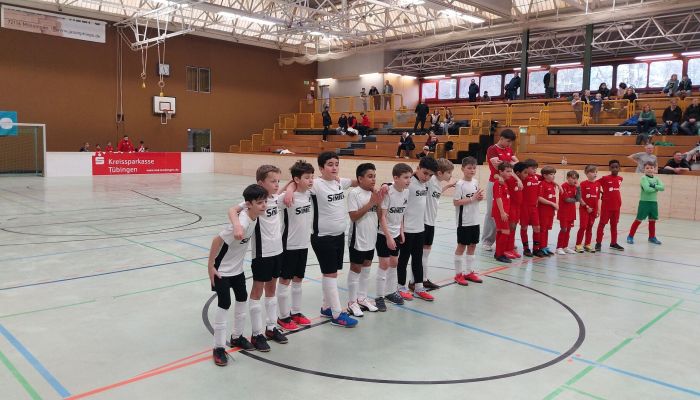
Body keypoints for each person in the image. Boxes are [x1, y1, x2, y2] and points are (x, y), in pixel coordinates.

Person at [285, 152, 360, 328]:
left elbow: (356, 182)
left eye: (336, 164)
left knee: (331, 273)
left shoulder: (339, 182)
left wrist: (378, 186)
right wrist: (288, 191)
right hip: (323, 238)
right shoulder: (316, 184)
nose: (334, 167)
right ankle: (337, 314)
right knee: (330, 274)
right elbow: (294, 182)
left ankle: (326, 307)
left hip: (339, 236)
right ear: (321, 168)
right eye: (330, 164)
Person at [228, 165, 289, 349]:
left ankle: (271, 327)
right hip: (262, 254)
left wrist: (289, 188)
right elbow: (232, 210)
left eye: (278, 181)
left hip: (278, 251)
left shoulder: (276, 199)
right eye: (273, 181)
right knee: (257, 291)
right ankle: (256, 334)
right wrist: (237, 225)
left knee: (272, 289)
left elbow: (290, 187)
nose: (277, 184)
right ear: (261, 183)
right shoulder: (254, 202)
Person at [210, 184, 267, 366]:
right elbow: (216, 240)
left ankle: (237, 337)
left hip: (238, 270)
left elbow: (234, 208)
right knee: (224, 304)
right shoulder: (242, 223)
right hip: (222, 271)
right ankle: (218, 347)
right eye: (260, 203)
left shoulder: (251, 212)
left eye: (265, 201)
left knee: (242, 299)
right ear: (250, 204)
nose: (264, 205)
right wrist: (210, 266)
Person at [277, 161, 315, 330]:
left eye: (312, 176)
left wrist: (293, 186)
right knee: (285, 280)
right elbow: (272, 200)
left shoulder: (309, 193)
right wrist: (289, 189)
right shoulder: (286, 198)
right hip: (289, 245)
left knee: (298, 278)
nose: (311, 180)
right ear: (297, 179)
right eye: (307, 177)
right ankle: (283, 317)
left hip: (303, 244)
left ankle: (296, 312)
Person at [396, 157, 439, 301]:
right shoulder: (408, 183)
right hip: (407, 230)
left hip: (420, 228)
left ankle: (419, 287)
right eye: (425, 173)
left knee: (418, 259)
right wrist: (401, 230)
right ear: (418, 168)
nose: (427, 177)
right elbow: (393, 186)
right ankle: (401, 287)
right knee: (403, 259)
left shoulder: (425, 183)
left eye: (430, 175)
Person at [410, 158, 455, 290]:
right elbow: (416, 174)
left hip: (431, 222)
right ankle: (414, 281)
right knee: (419, 254)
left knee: (426, 253)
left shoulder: (438, 183)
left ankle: (423, 279)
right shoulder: (430, 180)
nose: (451, 175)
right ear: (439, 173)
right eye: (449, 172)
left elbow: (436, 194)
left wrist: (448, 186)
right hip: (423, 221)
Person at [347, 163, 383, 316]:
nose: (373, 179)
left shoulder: (374, 194)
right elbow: (353, 216)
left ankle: (362, 298)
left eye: (374, 176)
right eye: (370, 176)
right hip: (358, 238)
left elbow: (380, 216)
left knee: (367, 268)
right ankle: (352, 302)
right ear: (360, 179)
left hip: (371, 237)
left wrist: (378, 201)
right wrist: (371, 203)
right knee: (356, 269)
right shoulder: (354, 193)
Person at [376, 163, 411, 308]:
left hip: (396, 233)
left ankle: (390, 292)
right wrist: (389, 237)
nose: (409, 180)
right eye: (405, 177)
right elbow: (382, 217)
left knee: (394, 263)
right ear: (395, 178)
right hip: (383, 234)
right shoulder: (388, 192)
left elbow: (401, 214)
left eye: (410, 177)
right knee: (384, 264)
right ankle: (379, 296)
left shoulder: (406, 192)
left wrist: (401, 231)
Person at [482, 129, 519, 251]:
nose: (509, 144)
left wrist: (507, 165)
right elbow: (497, 166)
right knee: (491, 212)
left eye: (511, 142)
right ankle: (487, 241)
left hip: (507, 184)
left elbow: (516, 163)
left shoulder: (509, 149)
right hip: (495, 182)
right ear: (501, 138)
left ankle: (505, 239)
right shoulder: (492, 149)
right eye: (508, 141)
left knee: (506, 212)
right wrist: (508, 163)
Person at [453, 156, 485, 286]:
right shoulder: (460, 184)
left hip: (474, 219)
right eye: (469, 168)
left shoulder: (475, 182)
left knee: (472, 245)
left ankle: (469, 272)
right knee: (461, 246)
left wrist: (479, 198)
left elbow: (475, 198)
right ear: (462, 169)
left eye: (474, 168)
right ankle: (458, 274)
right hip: (464, 221)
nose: (472, 170)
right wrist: (472, 198)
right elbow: (456, 202)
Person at [627, 162, 664, 245]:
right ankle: (630, 236)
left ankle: (652, 237)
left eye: (651, 168)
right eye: (647, 168)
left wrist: (654, 186)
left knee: (652, 221)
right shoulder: (643, 178)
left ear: (654, 169)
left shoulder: (657, 179)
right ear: (644, 169)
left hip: (653, 203)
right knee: (638, 220)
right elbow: (647, 189)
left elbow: (662, 187)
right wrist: (657, 189)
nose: (649, 169)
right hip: (644, 202)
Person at [595, 159, 625, 252]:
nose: (615, 169)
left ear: (619, 168)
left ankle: (613, 243)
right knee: (602, 224)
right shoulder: (605, 178)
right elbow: (595, 184)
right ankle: (598, 243)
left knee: (614, 225)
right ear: (609, 168)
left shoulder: (620, 178)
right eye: (612, 167)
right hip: (606, 207)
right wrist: (601, 193)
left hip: (617, 206)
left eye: (616, 167)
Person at [520, 159, 544, 257]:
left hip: (534, 207)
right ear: (526, 168)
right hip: (524, 207)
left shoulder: (536, 177)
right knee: (524, 227)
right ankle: (526, 249)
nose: (535, 170)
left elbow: (547, 177)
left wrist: (556, 184)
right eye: (532, 168)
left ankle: (536, 249)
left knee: (537, 227)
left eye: (536, 168)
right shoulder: (523, 177)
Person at [575, 165, 600, 253]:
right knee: (583, 227)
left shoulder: (598, 184)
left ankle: (587, 244)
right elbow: (579, 197)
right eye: (593, 172)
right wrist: (586, 206)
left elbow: (598, 198)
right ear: (587, 173)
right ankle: (578, 244)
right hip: (584, 209)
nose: (595, 174)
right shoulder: (583, 184)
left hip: (593, 210)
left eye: (596, 172)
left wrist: (598, 210)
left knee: (590, 227)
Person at [492, 162, 514, 263]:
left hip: (504, 211)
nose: (510, 173)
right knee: (506, 232)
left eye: (511, 171)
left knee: (500, 231)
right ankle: (500, 254)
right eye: (508, 171)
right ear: (500, 172)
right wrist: (502, 212)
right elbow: (498, 198)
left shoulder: (504, 182)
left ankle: (498, 252)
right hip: (500, 211)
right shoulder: (498, 183)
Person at [555, 170, 580, 255]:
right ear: (568, 178)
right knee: (564, 229)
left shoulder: (575, 187)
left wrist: (578, 188)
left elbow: (578, 198)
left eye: (576, 178)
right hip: (563, 212)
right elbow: (567, 199)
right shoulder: (564, 186)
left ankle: (565, 247)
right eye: (573, 178)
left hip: (571, 212)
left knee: (568, 230)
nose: (574, 180)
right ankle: (559, 247)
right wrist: (575, 199)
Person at [504, 162, 525, 258]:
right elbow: (497, 175)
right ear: (517, 173)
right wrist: (517, 178)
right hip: (511, 207)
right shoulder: (509, 179)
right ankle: (506, 249)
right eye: (525, 173)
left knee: (514, 228)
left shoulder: (521, 180)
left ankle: (510, 248)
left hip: (518, 208)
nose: (527, 175)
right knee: (510, 228)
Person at [537, 166, 558, 256]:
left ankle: (544, 246)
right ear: (544, 175)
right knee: (542, 229)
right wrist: (552, 203)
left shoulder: (552, 184)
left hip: (550, 211)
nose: (553, 176)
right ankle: (540, 247)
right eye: (551, 174)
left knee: (546, 230)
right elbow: (539, 198)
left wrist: (554, 205)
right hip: (543, 211)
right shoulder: (542, 184)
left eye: (554, 174)